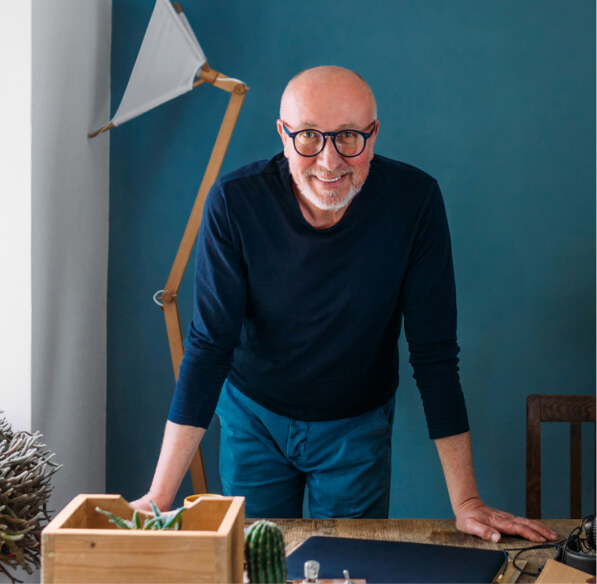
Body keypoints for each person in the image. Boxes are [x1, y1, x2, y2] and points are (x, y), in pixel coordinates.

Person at [132, 66, 557, 543]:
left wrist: (466, 502)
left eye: (349, 136)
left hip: (356, 425)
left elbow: (434, 356)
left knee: (352, 564)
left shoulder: (414, 202)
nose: (330, 161)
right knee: (260, 561)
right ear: (284, 136)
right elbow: (209, 348)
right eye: (309, 136)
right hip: (254, 416)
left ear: (373, 136)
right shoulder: (233, 202)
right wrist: (158, 498)